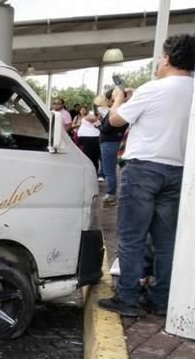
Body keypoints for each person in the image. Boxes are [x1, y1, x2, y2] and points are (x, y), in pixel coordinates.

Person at [98, 34, 195, 318]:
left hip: (143, 169)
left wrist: (117, 99)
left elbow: (114, 122)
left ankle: (127, 297)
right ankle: (161, 298)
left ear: (167, 58)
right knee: (166, 241)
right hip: (179, 172)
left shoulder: (154, 89)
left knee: (132, 236)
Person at [96, 90, 129, 205]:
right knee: (119, 170)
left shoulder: (114, 112)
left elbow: (106, 129)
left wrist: (98, 125)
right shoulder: (125, 110)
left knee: (109, 171)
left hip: (109, 143)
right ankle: (117, 194)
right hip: (118, 142)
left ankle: (111, 194)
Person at [75, 105, 100, 174]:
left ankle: (91, 174)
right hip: (88, 138)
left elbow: (93, 119)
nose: (83, 111)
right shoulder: (90, 116)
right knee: (91, 158)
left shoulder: (90, 116)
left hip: (92, 138)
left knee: (91, 158)